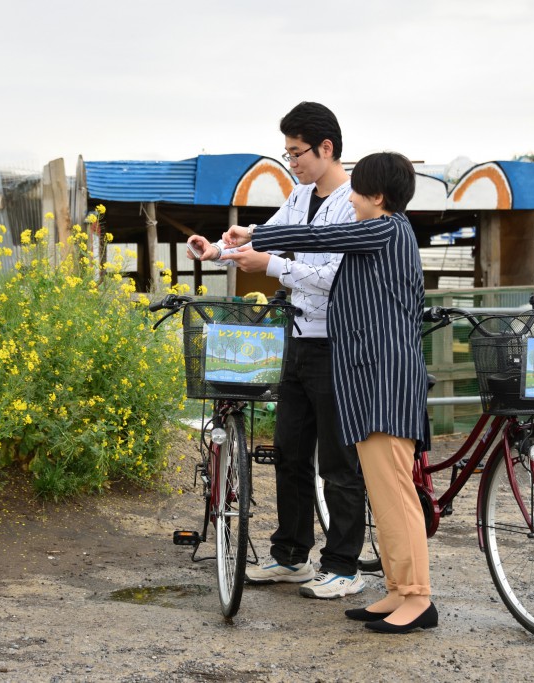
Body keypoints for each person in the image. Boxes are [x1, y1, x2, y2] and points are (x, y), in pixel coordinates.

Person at [221, 151, 437, 634]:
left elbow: (320, 236)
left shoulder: (386, 228)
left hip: (386, 381)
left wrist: (256, 235)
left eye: (357, 192)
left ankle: (419, 598)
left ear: (377, 197)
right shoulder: (380, 233)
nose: (351, 200)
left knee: (397, 495)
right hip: (369, 381)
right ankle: (400, 591)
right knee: (382, 495)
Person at [186, 101, 367, 600]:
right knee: (289, 453)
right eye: (287, 153)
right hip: (298, 339)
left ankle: (344, 566)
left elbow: (332, 276)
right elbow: (268, 233)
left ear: (325, 148)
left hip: (337, 342)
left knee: (338, 460)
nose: (292, 162)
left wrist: (271, 265)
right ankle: (291, 556)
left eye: (296, 153)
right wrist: (220, 249)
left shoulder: (354, 201)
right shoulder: (302, 194)